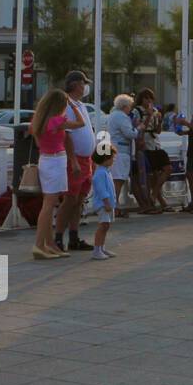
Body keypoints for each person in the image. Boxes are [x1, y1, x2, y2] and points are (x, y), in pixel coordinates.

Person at [29, 89, 84, 259]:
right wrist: (74, 107)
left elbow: (39, 143)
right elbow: (80, 123)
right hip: (55, 161)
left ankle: (49, 243)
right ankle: (39, 244)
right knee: (49, 205)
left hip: (46, 160)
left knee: (49, 203)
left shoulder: (38, 121)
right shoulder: (56, 121)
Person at [55, 71, 97, 252]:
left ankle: (73, 236)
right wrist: (73, 160)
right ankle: (58, 237)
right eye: (82, 83)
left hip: (86, 158)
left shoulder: (81, 106)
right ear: (74, 84)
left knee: (80, 199)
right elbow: (67, 135)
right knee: (70, 198)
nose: (85, 86)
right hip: (76, 159)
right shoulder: (67, 105)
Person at [136, 88, 173, 213]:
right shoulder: (137, 111)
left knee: (167, 168)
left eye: (150, 98)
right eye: (146, 98)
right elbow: (140, 128)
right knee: (153, 175)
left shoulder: (156, 111)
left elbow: (158, 131)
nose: (148, 101)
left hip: (155, 143)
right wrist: (149, 115)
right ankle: (160, 202)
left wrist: (159, 120)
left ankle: (155, 193)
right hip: (145, 144)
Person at [106, 95, 140, 216]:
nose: (130, 109)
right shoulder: (122, 116)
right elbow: (129, 134)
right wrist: (138, 129)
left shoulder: (113, 115)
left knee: (116, 179)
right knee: (118, 180)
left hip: (114, 149)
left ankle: (114, 206)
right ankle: (114, 207)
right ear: (125, 106)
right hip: (121, 151)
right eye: (130, 107)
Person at [89, 147, 118, 260]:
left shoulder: (105, 171)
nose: (113, 160)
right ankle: (97, 250)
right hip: (103, 205)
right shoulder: (100, 173)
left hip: (108, 204)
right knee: (103, 226)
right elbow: (102, 190)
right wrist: (106, 203)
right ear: (105, 158)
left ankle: (102, 247)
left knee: (106, 226)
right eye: (112, 158)